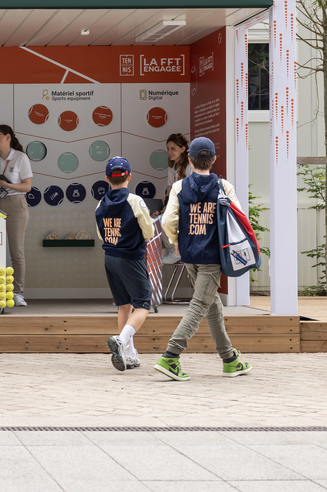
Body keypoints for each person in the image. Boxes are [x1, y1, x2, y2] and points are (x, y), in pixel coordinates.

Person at [156, 137, 252, 381]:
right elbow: (239, 219)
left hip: (189, 254)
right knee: (201, 303)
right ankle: (171, 355)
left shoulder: (180, 187)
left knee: (211, 305)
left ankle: (229, 359)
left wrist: (177, 242)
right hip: (212, 255)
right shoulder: (224, 186)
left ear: (189, 159)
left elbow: (168, 221)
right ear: (214, 160)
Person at [95, 157, 155, 372]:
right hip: (131, 257)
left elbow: (100, 234)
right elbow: (148, 231)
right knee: (142, 303)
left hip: (109, 257)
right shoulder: (135, 200)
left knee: (123, 305)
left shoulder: (101, 203)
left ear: (106, 179)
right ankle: (121, 341)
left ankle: (129, 354)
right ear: (129, 176)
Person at [0, 124, 32, 306]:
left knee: (16, 251)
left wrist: (7, 185)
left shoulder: (20, 158)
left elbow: (27, 187)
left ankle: (18, 293)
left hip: (15, 204)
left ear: (8, 137)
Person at [164, 133, 190, 203]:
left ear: (182, 149)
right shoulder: (172, 165)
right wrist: (166, 203)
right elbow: (169, 187)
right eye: (168, 148)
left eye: (172, 149)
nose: (169, 152)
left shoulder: (190, 166)